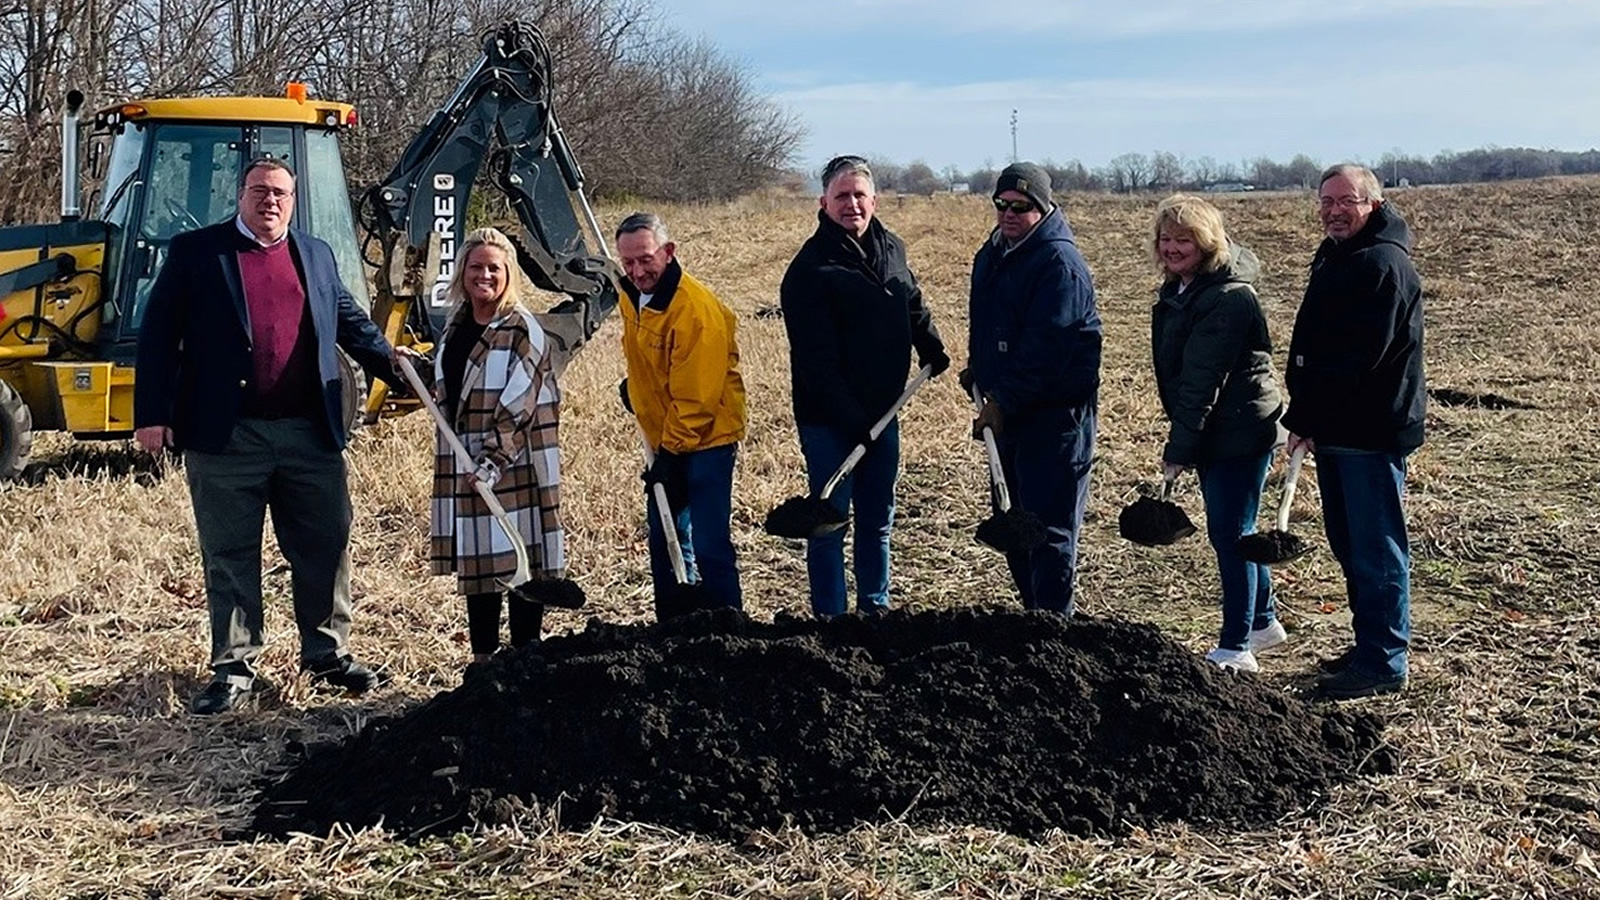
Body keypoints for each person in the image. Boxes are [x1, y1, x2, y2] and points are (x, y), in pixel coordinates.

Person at [134, 157, 403, 715]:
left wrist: (402, 371)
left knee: (325, 545)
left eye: (280, 192)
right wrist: (152, 413)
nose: (270, 201)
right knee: (230, 553)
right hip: (227, 436)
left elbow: (350, 324)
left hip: (310, 432)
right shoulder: (197, 253)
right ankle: (234, 668)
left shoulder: (316, 254)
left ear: (294, 198)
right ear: (241, 195)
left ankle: (326, 654)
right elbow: (158, 336)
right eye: (260, 191)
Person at [779, 155, 949, 618]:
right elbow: (815, 362)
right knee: (828, 522)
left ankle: (875, 610)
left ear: (874, 199)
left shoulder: (891, 247)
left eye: (859, 195)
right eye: (841, 196)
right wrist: (854, 421)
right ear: (823, 202)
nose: (851, 204)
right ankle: (831, 621)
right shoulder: (809, 271)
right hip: (829, 420)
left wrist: (929, 343)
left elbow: (909, 297)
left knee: (877, 520)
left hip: (884, 412)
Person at [1283, 163, 1425, 700]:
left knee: (1375, 547)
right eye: (1326, 202)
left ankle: (1384, 661)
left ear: (1373, 203)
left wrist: (1306, 416)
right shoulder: (1338, 256)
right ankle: (1369, 645)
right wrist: (1309, 413)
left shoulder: (1383, 265)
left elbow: (1358, 360)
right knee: (1351, 545)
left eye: (1346, 201)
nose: (1334, 211)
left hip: (1370, 429)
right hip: (1339, 427)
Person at [1148, 194, 1287, 672]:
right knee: (1236, 528)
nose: (1172, 247)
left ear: (1207, 243)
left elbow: (1202, 379)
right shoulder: (1183, 289)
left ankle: (1235, 647)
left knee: (1232, 535)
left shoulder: (1228, 298)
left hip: (1240, 430)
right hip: (1217, 430)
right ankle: (1262, 621)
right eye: (1166, 239)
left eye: (1183, 239)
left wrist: (1179, 448)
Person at [965, 161, 1101, 615]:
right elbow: (987, 325)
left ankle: (1052, 627)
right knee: (1015, 527)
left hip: (1054, 418)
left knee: (1048, 531)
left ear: (1042, 209)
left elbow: (1049, 348)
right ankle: (1032, 619)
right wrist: (979, 371)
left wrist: (1003, 397)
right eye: (1001, 204)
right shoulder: (993, 253)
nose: (1009, 214)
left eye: (1021, 207)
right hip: (1008, 415)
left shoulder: (1059, 265)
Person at [429, 227, 565, 665]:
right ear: (462, 273)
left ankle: (527, 658)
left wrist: (490, 463)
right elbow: (453, 383)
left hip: (513, 463)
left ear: (509, 274)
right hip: (466, 458)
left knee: (520, 555)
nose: (484, 275)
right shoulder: (456, 324)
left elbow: (518, 407)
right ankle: (484, 663)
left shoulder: (523, 329)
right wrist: (413, 365)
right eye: (475, 267)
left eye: (494, 268)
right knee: (481, 565)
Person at [615, 212, 746, 620]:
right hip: (665, 437)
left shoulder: (695, 310)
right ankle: (675, 628)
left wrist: (670, 458)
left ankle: (728, 628)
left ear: (668, 253)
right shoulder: (632, 295)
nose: (638, 270)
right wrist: (635, 391)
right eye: (629, 262)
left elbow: (697, 399)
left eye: (646, 259)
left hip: (707, 439)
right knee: (666, 539)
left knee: (708, 543)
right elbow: (655, 362)